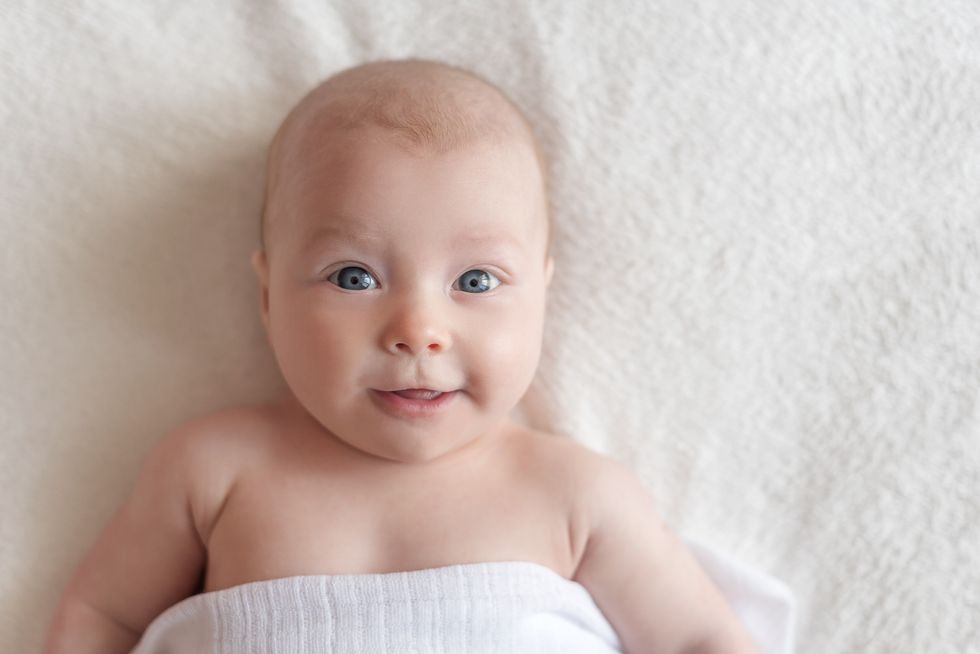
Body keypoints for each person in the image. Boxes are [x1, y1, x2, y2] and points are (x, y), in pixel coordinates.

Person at [43, 58, 759, 654]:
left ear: (540, 293)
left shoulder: (575, 494)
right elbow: (104, 619)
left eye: (475, 281)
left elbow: (702, 640)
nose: (419, 330)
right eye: (354, 277)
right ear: (267, 297)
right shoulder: (214, 468)